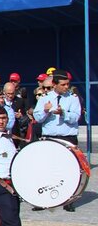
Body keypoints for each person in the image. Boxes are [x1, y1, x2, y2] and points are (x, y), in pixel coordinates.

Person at [32, 69, 81, 212]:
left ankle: (69, 200)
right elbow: (38, 117)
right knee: (46, 169)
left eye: (67, 84)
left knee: (69, 170)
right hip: (50, 138)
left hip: (67, 137)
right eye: (63, 84)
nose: (66, 87)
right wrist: (46, 111)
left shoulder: (73, 98)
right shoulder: (44, 98)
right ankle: (42, 200)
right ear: (54, 84)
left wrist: (63, 113)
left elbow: (76, 117)